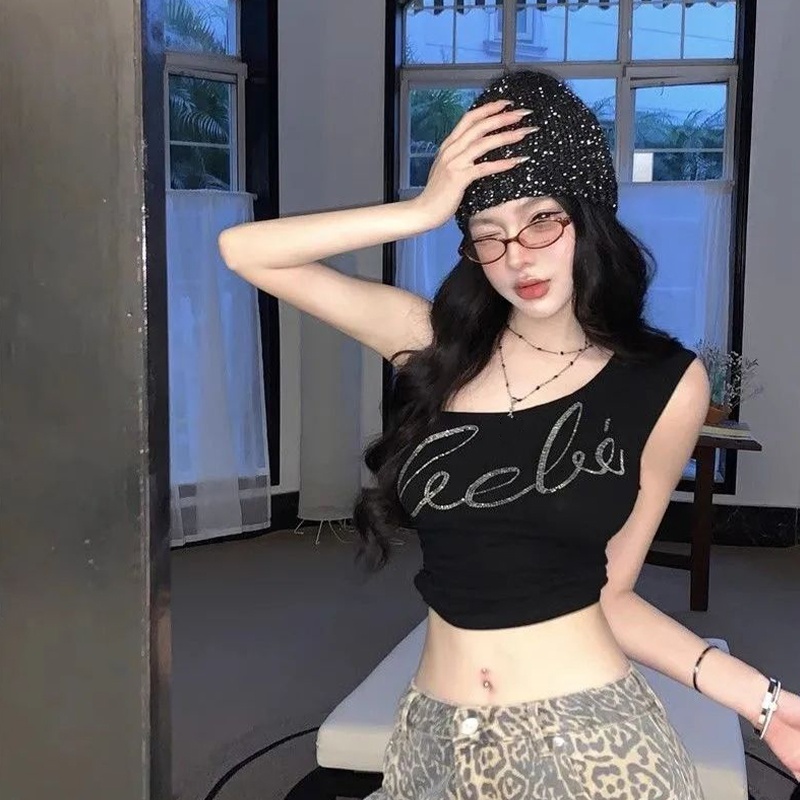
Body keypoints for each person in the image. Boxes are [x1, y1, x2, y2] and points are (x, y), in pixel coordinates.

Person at [219, 69, 800, 799]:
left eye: (541, 220)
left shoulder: (666, 383)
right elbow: (245, 250)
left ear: (588, 217)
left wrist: (766, 703)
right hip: (435, 736)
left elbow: (612, 595)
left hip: (590, 742)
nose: (517, 256)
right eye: (487, 235)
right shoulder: (430, 344)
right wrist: (424, 209)